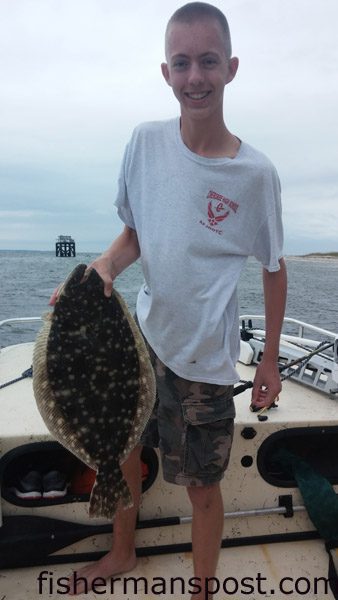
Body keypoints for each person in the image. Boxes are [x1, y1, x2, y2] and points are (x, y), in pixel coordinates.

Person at [68, 2, 287, 597]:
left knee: (202, 486)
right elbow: (135, 235)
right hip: (143, 339)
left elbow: (272, 268)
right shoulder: (143, 143)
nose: (196, 77)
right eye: (182, 62)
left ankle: (203, 586)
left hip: (204, 363)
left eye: (208, 62)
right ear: (165, 71)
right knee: (123, 455)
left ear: (231, 68)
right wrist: (105, 267)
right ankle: (122, 552)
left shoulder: (255, 175)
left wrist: (267, 358)